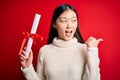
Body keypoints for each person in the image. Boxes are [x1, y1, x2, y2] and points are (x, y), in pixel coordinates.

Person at [20, 4, 103, 80]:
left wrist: (93, 51)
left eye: (73, 20)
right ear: (54, 24)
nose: (69, 25)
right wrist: (28, 68)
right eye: (64, 21)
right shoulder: (44, 51)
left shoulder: (85, 49)